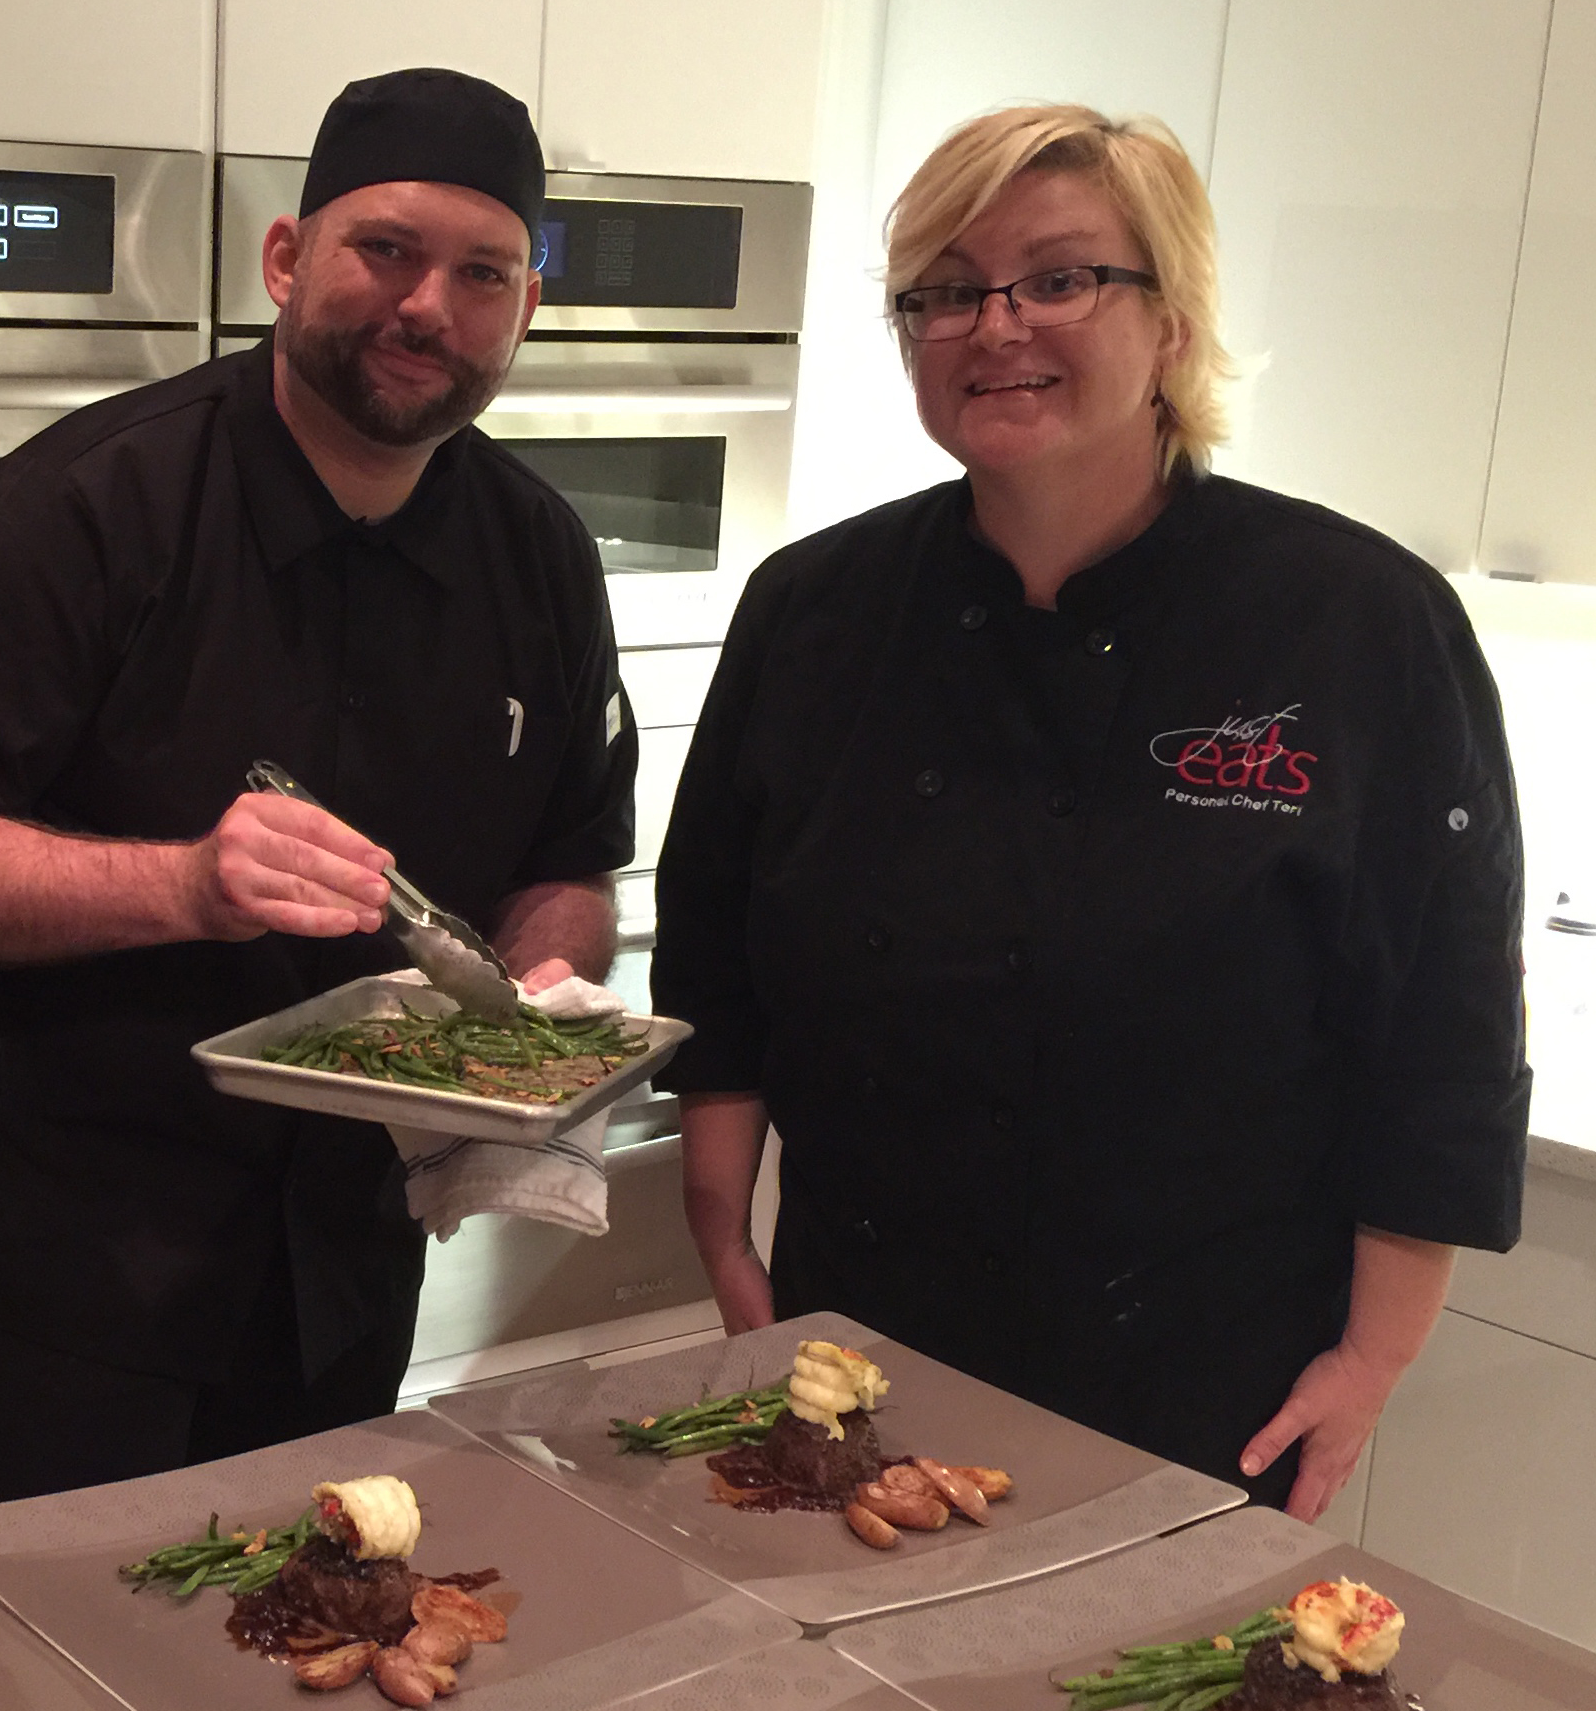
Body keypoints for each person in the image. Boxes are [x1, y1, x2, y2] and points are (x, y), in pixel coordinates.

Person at [655, 104, 1528, 1521]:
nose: (993, 325)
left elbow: (1443, 1020)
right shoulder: (813, 611)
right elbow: (715, 945)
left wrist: (1376, 1356)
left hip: (1201, 1374)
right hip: (861, 1345)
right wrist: (721, 1233)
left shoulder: (1360, 623)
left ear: (1172, 322)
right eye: (943, 291)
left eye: (1061, 278)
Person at [0, 68, 637, 1504]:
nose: (428, 308)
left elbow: (571, 866)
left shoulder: (539, 559)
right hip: (67, 1274)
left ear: (526, 308)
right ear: (286, 260)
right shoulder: (83, 510)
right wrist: (182, 884)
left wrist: (535, 1005)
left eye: (483, 273)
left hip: (348, 1263)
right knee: (52, 1684)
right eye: (384, 251)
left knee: (303, 1642)